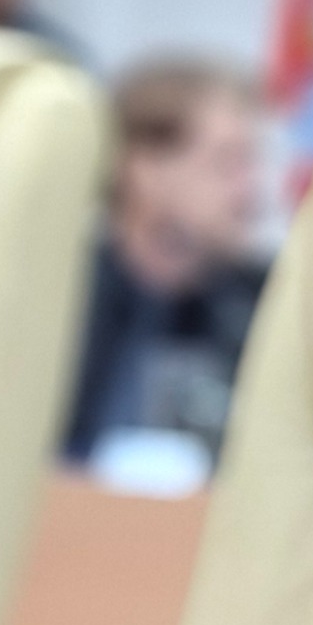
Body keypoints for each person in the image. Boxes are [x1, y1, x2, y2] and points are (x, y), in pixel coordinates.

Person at [63, 55, 274, 477]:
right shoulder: (65, 297)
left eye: (251, 162)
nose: (249, 189)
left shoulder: (263, 304)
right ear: (144, 170)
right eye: (225, 162)